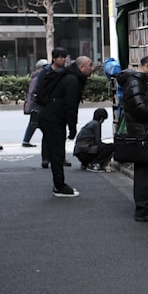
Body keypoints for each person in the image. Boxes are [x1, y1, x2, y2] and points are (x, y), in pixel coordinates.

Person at [116, 54, 148, 222]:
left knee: (144, 173)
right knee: (144, 174)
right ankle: (143, 209)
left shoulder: (135, 82)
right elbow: (142, 109)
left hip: (143, 134)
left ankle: (144, 207)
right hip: (143, 135)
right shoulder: (135, 83)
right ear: (147, 65)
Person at [37, 55, 94, 197]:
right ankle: (59, 186)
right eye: (90, 65)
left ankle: (59, 184)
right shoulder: (73, 80)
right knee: (57, 153)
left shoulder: (68, 76)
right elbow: (71, 107)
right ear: (81, 67)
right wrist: (72, 128)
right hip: (53, 118)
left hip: (50, 116)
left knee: (57, 152)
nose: (92, 69)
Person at [34, 49, 72, 169]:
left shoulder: (65, 72)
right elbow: (39, 89)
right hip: (47, 107)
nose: (63, 60)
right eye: (61, 57)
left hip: (60, 108)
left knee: (61, 133)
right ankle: (46, 158)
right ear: (54, 59)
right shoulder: (45, 71)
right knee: (47, 134)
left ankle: (61, 157)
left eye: (64, 57)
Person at [73, 107, 114, 172]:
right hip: (85, 151)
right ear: (101, 118)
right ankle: (94, 164)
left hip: (79, 151)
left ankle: (85, 164)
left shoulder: (90, 123)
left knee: (101, 147)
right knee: (111, 147)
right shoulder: (96, 124)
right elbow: (98, 142)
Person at [21, 58, 48, 148]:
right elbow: (33, 92)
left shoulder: (37, 77)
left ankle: (26, 140)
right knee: (37, 123)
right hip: (36, 105)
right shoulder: (37, 78)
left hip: (35, 105)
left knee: (34, 123)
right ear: (39, 68)